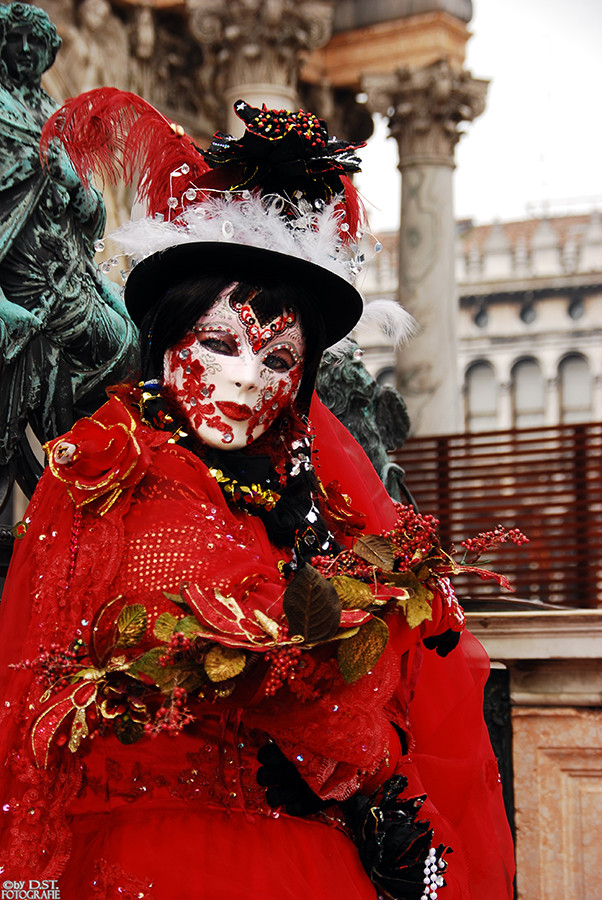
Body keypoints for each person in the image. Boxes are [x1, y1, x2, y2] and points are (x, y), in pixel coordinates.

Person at [0, 96, 514, 898]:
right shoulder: (104, 473)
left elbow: (366, 710)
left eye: (278, 359)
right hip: (138, 860)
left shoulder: (312, 509)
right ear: (168, 335)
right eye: (217, 344)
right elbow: (32, 692)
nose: (248, 378)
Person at [0, 3, 137, 501]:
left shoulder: (48, 112)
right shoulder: (4, 111)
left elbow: (93, 212)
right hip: (31, 282)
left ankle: (89, 478)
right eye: (19, 40)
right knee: (123, 355)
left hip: (72, 271)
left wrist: (72, 183)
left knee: (136, 342)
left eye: (39, 44)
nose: (30, 52)